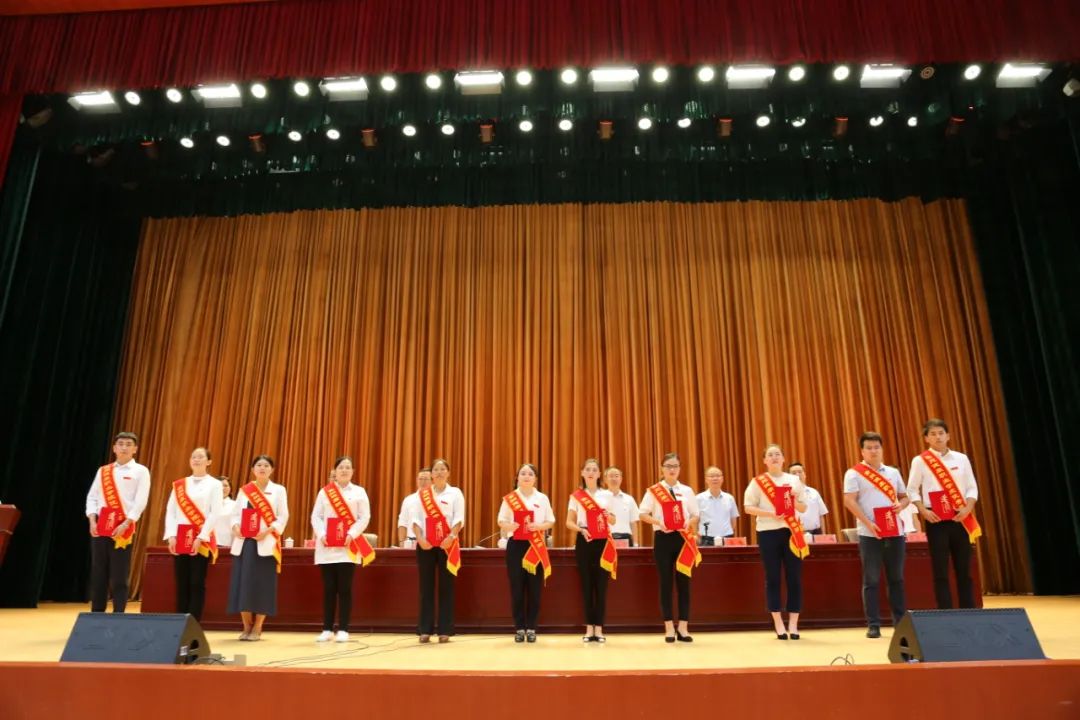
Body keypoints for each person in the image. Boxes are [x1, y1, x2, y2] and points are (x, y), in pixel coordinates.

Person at [906, 418, 981, 609]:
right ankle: (945, 611)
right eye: (933, 434)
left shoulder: (961, 458)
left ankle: (969, 610)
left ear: (948, 435)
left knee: (964, 568)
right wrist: (923, 510)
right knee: (940, 570)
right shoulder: (920, 461)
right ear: (926, 438)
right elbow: (912, 489)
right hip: (935, 519)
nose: (937, 437)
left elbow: (972, 487)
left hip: (960, 516)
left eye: (941, 433)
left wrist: (968, 508)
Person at [842, 432, 910, 638]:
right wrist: (868, 523)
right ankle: (873, 624)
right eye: (869, 448)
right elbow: (849, 501)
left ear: (882, 449)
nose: (873, 451)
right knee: (871, 580)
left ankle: (900, 623)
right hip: (869, 533)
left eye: (876, 447)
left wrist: (901, 505)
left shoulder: (893, 473)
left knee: (896, 579)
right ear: (862, 451)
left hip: (895, 531)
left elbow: (904, 497)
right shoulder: (854, 473)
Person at [744, 444, 809, 640]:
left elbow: (803, 508)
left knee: (794, 577)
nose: (774, 457)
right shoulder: (758, 482)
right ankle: (778, 623)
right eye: (770, 455)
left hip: (792, 532)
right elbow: (748, 507)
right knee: (772, 577)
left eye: (777, 454)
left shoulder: (793, 480)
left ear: (783, 459)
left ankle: (794, 624)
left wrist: (793, 500)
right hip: (767, 532)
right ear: (765, 460)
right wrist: (771, 514)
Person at [84, 431, 151, 613]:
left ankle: (119, 614)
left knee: (119, 575)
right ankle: (97, 613)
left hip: (123, 528)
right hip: (100, 527)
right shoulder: (104, 471)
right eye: (120, 444)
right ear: (114, 448)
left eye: (129, 444)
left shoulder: (141, 471)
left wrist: (126, 523)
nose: (124, 447)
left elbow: (140, 501)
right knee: (99, 572)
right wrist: (92, 520)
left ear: (135, 449)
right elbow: (92, 497)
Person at [638, 452, 700, 643]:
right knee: (665, 583)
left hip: (683, 539)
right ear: (662, 469)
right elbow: (642, 514)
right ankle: (669, 627)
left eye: (675, 466)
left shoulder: (687, 491)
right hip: (663, 538)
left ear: (680, 468)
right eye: (668, 466)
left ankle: (683, 627)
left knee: (684, 584)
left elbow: (696, 514)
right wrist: (659, 522)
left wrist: (688, 522)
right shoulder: (654, 491)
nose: (672, 469)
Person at [310, 456, 372, 642]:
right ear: (335, 471)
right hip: (327, 547)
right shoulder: (325, 492)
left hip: (348, 547)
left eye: (348, 467)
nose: (344, 470)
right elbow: (316, 516)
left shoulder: (359, 492)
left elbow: (364, 517)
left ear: (352, 471)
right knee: (329, 588)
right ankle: (327, 629)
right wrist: (322, 534)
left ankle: (343, 628)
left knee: (345, 588)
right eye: (341, 467)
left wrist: (351, 534)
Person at [227, 455, 289, 641]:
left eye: (266, 465)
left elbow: (283, 516)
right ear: (253, 469)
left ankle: (258, 626)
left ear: (272, 469)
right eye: (259, 465)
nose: (262, 468)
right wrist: (235, 527)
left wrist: (268, 531)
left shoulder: (278, 490)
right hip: (244, 543)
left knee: (263, 586)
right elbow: (234, 515)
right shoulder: (245, 490)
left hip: (266, 543)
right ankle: (246, 626)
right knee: (243, 585)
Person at [498, 463, 556, 643]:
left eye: (530, 474)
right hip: (515, 545)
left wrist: (538, 526)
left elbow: (551, 521)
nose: (526, 476)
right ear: (517, 477)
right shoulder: (510, 498)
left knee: (534, 589)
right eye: (523, 473)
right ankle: (519, 628)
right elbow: (501, 521)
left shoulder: (542, 498)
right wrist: (511, 526)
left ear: (535, 478)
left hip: (535, 546)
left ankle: (531, 627)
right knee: (517, 588)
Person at [163, 447, 223, 620]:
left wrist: (201, 536)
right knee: (181, 581)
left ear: (209, 461)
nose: (196, 459)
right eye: (193, 456)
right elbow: (171, 511)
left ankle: (193, 622)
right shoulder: (179, 484)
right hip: (180, 538)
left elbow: (214, 513)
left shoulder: (215, 484)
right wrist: (171, 535)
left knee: (197, 582)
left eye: (200, 457)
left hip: (200, 539)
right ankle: (180, 620)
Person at [410, 458, 464, 643]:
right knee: (426, 587)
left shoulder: (455, 493)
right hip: (426, 544)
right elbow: (415, 519)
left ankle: (445, 630)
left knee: (446, 587)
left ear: (448, 473)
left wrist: (452, 537)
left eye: (442, 469)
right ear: (431, 474)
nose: (439, 472)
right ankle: (424, 629)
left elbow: (459, 517)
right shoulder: (423, 494)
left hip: (447, 545)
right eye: (436, 470)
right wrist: (420, 538)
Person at [566, 458, 617, 643]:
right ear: (582, 473)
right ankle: (589, 628)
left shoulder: (607, 495)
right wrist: (581, 529)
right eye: (587, 469)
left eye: (594, 470)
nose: (591, 472)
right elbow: (569, 522)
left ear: (599, 474)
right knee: (587, 585)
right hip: (585, 539)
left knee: (601, 585)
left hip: (603, 541)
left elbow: (613, 520)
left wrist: (608, 516)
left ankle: (599, 629)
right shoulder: (576, 496)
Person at [695, 466, 739, 545]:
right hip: (705, 538)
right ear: (706, 479)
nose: (715, 478)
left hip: (727, 538)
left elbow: (733, 520)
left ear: (722, 479)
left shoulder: (729, 498)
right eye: (711, 476)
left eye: (718, 476)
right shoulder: (698, 498)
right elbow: (695, 520)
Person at [789, 462, 830, 535]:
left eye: (800, 472)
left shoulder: (814, 492)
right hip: (795, 534)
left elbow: (821, 515)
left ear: (805, 475)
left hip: (816, 532)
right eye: (794, 473)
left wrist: (823, 535)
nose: (797, 475)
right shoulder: (785, 494)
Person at [603, 466, 640, 547]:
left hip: (625, 538)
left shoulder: (629, 499)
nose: (614, 479)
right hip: (605, 539)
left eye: (616, 476)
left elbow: (633, 523)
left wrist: (636, 544)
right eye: (611, 476)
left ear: (621, 479)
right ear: (605, 479)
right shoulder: (599, 498)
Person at [397, 468, 432, 547]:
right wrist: (402, 542)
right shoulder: (409, 499)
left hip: (431, 542)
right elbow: (403, 522)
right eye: (420, 479)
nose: (423, 482)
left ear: (432, 481)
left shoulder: (437, 499)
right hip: (412, 542)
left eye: (426, 479)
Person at [214, 476, 235, 549]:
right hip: (208, 543)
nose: (223, 488)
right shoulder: (206, 504)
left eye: (226, 486)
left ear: (230, 488)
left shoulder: (236, 505)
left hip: (227, 544)